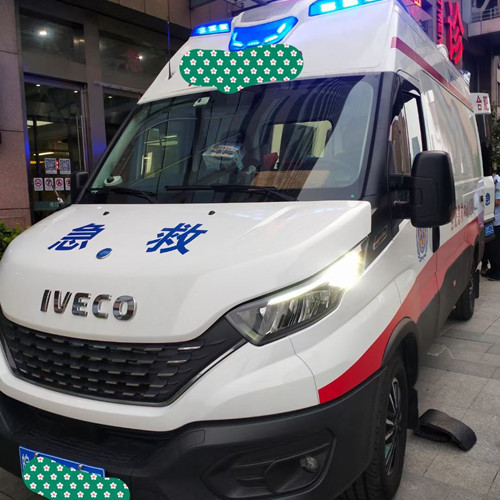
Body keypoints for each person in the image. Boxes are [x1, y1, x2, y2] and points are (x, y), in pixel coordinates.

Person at [487, 171, 500, 280]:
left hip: (497, 221)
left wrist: (486, 204)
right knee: (490, 247)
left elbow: (498, 201)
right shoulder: (493, 182)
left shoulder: (498, 182)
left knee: (495, 248)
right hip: (492, 220)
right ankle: (494, 268)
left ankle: (497, 273)